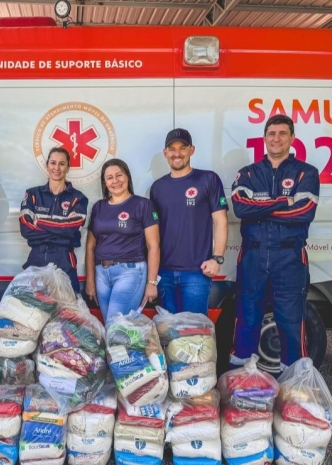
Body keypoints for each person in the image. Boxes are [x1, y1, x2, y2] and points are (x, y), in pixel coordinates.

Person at [231, 114, 320, 370]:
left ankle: (294, 388)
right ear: (264, 139)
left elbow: (304, 213)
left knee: (291, 323)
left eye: (283, 133)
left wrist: (261, 206)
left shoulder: (306, 172)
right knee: (247, 320)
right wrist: (283, 201)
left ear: (292, 138)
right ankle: (242, 386)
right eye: (272, 134)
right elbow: (241, 208)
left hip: (289, 257)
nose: (276, 138)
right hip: (253, 257)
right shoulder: (248, 173)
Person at [150, 128, 228, 315]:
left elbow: (221, 221)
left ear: (191, 150)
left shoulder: (208, 179)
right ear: (165, 153)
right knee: (170, 333)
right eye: (172, 149)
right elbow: (152, 233)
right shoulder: (157, 187)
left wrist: (217, 258)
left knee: (195, 334)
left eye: (182, 148)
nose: (177, 154)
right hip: (165, 273)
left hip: (196, 272)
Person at [85, 158, 160, 323]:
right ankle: (125, 350)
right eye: (109, 178)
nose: (115, 181)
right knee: (114, 328)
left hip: (130, 272)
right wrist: (90, 280)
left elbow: (153, 246)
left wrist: (152, 282)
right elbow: (90, 246)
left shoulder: (142, 205)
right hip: (102, 275)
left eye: (119, 175)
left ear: (128, 177)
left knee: (115, 325)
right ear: (104, 183)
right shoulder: (98, 207)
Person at [20, 147, 88, 294]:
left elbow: (71, 230)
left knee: (68, 313)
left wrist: (39, 222)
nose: (57, 168)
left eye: (62, 163)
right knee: (34, 312)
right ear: (47, 165)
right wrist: (62, 229)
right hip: (36, 259)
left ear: (68, 167)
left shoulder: (78, 198)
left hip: (64, 260)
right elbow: (26, 229)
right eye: (53, 163)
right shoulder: (32, 194)